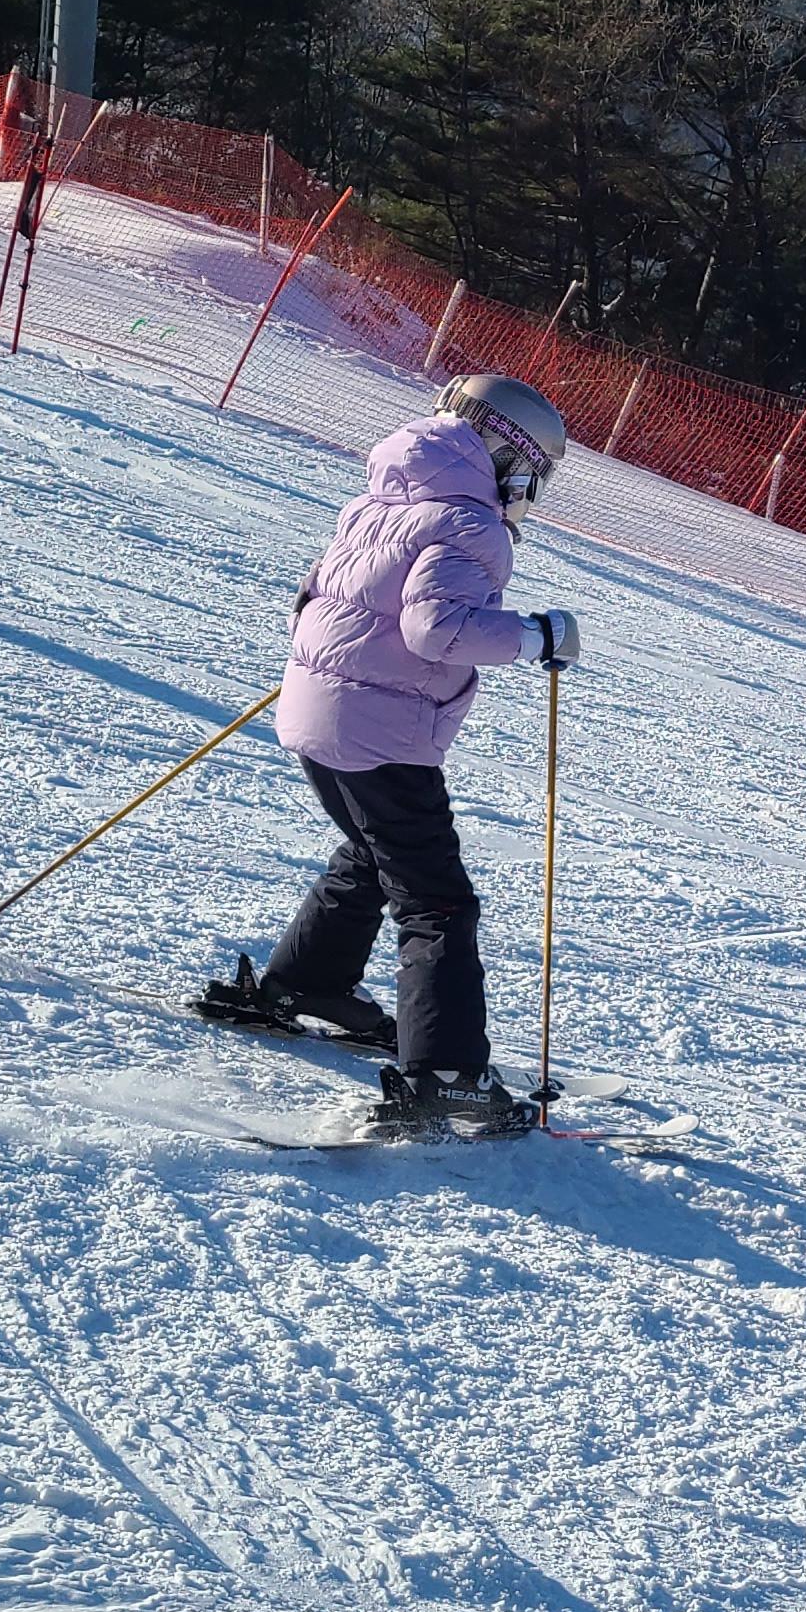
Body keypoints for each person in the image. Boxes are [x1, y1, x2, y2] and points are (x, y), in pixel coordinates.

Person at [201, 372, 583, 1124]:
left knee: (374, 852)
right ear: (507, 456)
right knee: (437, 899)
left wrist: (336, 669)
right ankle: (446, 1074)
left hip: (317, 714)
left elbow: (310, 601)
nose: (525, 496)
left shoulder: (380, 500)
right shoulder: (470, 523)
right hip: (382, 733)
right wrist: (536, 636)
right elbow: (435, 631)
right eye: (530, 477)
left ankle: (310, 983)